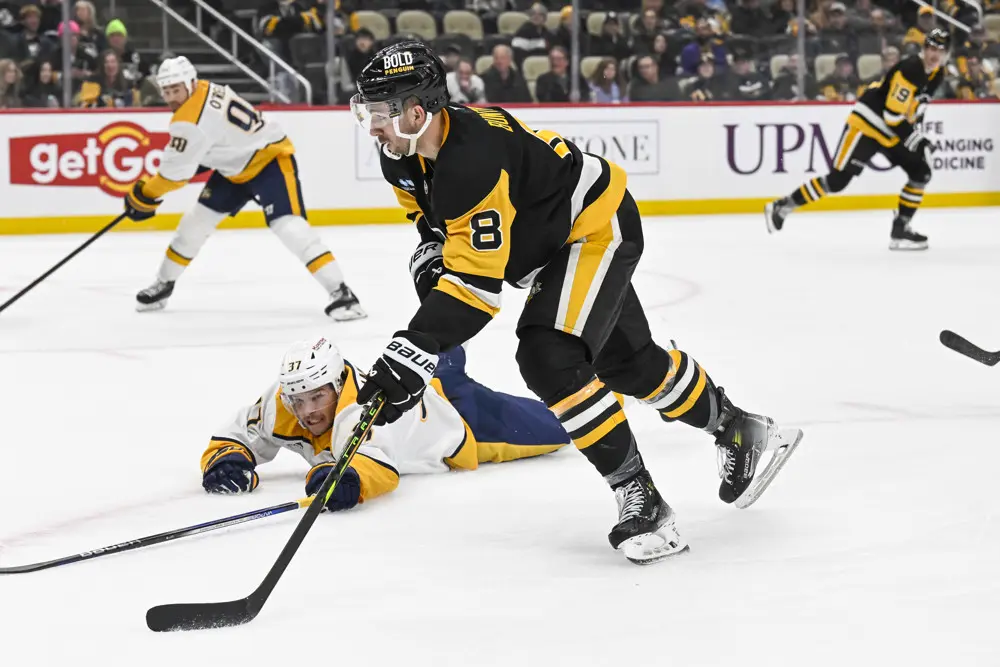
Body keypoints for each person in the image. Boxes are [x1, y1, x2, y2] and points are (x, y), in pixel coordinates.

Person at [349, 42, 803, 563]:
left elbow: (476, 289)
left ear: (416, 110)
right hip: (551, 245)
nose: (372, 125)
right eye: (367, 111)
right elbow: (433, 227)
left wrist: (416, 345)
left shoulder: (470, 160)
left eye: (381, 111)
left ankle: (642, 500)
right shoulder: (403, 159)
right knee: (633, 367)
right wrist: (430, 268)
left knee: (549, 355)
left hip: (591, 230)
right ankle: (738, 427)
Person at [122, 56, 365, 320]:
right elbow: (208, 144)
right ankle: (164, 283)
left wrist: (145, 194)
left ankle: (343, 294)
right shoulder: (204, 89)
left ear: (190, 84)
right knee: (195, 224)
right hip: (233, 167)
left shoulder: (189, 120)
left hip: (268, 159)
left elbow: (173, 176)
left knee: (289, 226)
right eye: (167, 91)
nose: (171, 97)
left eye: (176, 90)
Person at [201, 339, 570, 506]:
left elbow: (376, 466)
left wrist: (348, 481)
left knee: (568, 423)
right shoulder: (286, 401)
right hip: (422, 384)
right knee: (444, 343)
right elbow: (240, 434)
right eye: (299, 401)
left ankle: (613, 388)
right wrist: (226, 460)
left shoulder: (357, 413)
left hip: (459, 418)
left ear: (337, 386)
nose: (308, 411)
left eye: (317, 398)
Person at [766, 29, 950, 250]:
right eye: (931, 48)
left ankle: (901, 229)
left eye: (940, 50)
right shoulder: (911, 69)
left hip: (892, 131)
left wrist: (916, 137)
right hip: (868, 124)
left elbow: (916, 108)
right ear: (924, 48)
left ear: (947, 53)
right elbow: (892, 116)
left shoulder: (937, 73)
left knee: (921, 172)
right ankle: (783, 205)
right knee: (838, 181)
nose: (934, 54)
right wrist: (916, 140)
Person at [105, 19, 147, 89]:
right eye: (112, 35)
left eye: (119, 35)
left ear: (125, 38)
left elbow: (146, 75)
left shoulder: (134, 56)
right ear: (108, 39)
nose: (116, 39)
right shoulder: (103, 57)